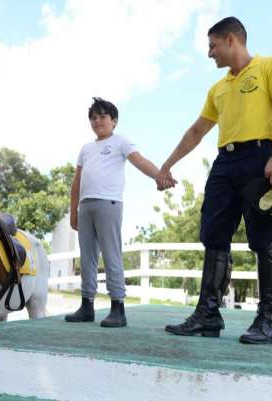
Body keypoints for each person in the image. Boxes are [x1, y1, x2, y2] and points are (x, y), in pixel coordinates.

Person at [157, 17, 272, 344]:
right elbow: (196, 131)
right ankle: (208, 314)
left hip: (260, 157)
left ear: (231, 40)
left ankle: (266, 320)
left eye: (212, 46)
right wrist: (166, 165)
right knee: (213, 235)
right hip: (225, 162)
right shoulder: (218, 88)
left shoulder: (271, 66)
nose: (209, 54)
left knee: (264, 236)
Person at [65, 97, 175, 328]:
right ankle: (87, 306)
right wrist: (73, 211)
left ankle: (118, 307)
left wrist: (160, 175)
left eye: (103, 116)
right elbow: (77, 182)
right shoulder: (85, 149)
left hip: (109, 204)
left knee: (111, 254)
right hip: (85, 207)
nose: (97, 121)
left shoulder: (120, 142)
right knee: (87, 257)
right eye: (93, 118)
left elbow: (140, 161)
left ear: (114, 121)